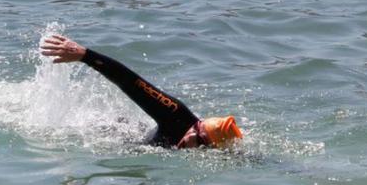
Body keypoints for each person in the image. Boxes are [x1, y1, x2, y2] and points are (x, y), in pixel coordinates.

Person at [40, 34, 243, 149]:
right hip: (118, 135)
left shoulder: (208, 147)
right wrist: (86, 55)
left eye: (203, 148)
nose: (195, 148)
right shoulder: (174, 114)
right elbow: (129, 81)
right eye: (198, 142)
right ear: (197, 128)